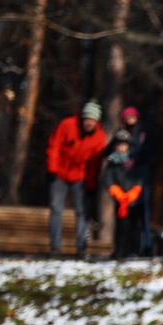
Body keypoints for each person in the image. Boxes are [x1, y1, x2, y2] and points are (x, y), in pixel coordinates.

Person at [46, 99, 108, 259]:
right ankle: (55, 247)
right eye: (87, 119)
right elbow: (54, 146)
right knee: (55, 209)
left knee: (82, 212)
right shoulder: (67, 125)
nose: (89, 123)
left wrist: (90, 184)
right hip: (59, 174)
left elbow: (95, 164)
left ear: (97, 122)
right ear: (82, 118)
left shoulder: (100, 137)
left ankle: (81, 247)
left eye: (92, 120)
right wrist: (52, 169)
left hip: (80, 177)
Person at [99, 131, 144, 259]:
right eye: (118, 145)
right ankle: (120, 250)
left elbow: (140, 178)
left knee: (136, 226)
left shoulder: (135, 162)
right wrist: (117, 192)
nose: (121, 148)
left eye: (124, 145)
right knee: (121, 227)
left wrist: (133, 193)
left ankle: (135, 251)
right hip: (120, 201)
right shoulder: (113, 162)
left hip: (135, 200)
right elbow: (107, 178)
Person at [118, 106, 152, 254]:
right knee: (124, 217)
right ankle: (123, 247)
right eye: (127, 116)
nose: (130, 119)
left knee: (142, 216)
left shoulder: (143, 134)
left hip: (140, 178)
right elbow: (110, 151)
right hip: (123, 180)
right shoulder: (120, 134)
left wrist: (134, 159)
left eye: (132, 116)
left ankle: (146, 247)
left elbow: (149, 152)